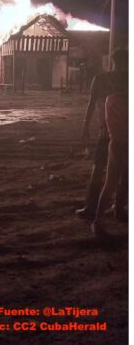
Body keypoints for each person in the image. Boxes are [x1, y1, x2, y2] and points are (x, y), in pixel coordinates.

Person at [77, 48, 128, 220]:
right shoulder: (123, 79)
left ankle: (94, 208)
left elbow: (91, 104)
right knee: (121, 170)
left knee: (101, 169)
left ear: (112, 61)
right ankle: (115, 208)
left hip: (110, 131)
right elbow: (92, 104)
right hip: (118, 132)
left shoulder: (103, 78)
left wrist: (85, 127)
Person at [91, 85, 127, 236]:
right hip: (121, 145)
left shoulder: (111, 100)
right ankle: (100, 219)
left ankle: (98, 220)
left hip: (118, 144)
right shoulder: (116, 101)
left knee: (112, 184)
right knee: (113, 183)